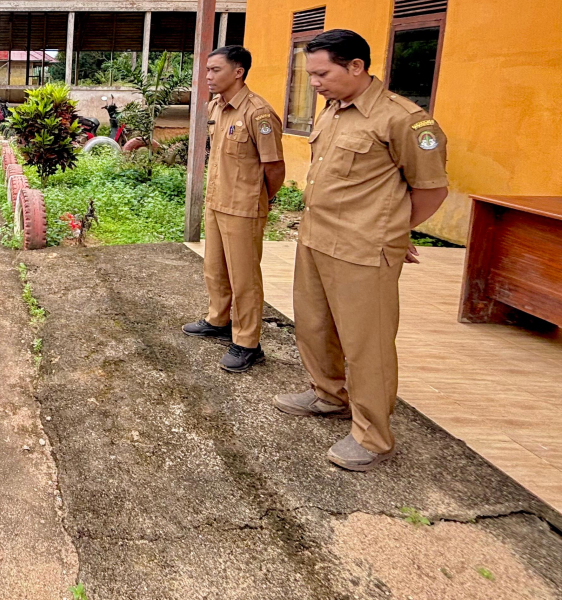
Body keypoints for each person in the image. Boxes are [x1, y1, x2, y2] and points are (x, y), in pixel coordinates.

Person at [273, 29, 448, 471]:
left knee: (366, 343)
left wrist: (393, 230)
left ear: (356, 66)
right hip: (316, 239)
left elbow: (431, 190)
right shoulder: (333, 112)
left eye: (322, 73)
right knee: (314, 326)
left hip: (364, 250)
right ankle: (328, 395)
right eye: (310, 74)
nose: (314, 83)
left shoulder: (404, 120)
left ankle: (373, 436)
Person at [183, 45, 285, 372]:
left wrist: (261, 199)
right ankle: (218, 319)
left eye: (215, 70)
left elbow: (275, 167)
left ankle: (247, 342)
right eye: (207, 70)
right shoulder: (217, 107)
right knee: (214, 268)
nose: (208, 76)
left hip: (243, 207)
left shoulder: (259, 113)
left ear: (238, 71)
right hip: (217, 200)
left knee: (244, 277)